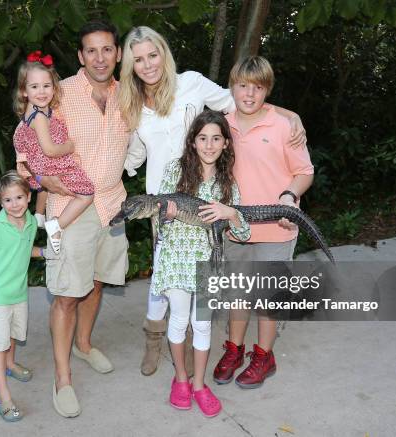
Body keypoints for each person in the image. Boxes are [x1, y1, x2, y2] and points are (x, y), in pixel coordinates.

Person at [119, 25, 307, 377]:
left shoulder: (191, 82)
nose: (147, 65)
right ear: (130, 65)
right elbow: (130, 156)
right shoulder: (131, 105)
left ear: (164, 54)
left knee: (205, 271)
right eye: (138, 59)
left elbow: (241, 101)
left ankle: (196, 340)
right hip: (165, 202)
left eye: (152, 55)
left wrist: (287, 114)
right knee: (165, 271)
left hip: (207, 195)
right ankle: (154, 340)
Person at [36, 21, 131, 418]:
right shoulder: (58, 95)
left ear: (118, 53)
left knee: (95, 282)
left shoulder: (128, 94)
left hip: (113, 203)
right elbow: (28, 149)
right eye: (91, 50)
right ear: (80, 56)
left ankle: (85, 344)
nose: (99, 57)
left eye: (107, 49)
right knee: (65, 294)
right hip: (71, 207)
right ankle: (62, 377)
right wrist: (41, 182)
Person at [212, 56, 314, 389]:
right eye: (243, 86)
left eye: (258, 88)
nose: (249, 94)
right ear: (232, 87)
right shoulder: (222, 125)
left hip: (276, 227)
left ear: (267, 90)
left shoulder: (285, 125)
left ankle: (263, 356)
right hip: (235, 226)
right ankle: (234, 350)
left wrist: (289, 195)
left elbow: (305, 172)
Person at [152, 110, 250, 418]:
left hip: (209, 264)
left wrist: (230, 212)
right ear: (193, 142)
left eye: (216, 139)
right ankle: (180, 378)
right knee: (179, 320)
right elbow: (160, 213)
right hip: (177, 259)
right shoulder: (175, 170)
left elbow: (243, 233)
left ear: (225, 144)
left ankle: (198, 384)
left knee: (203, 323)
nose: (209, 145)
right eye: (203, 138)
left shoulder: (227, 184)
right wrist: (165, 213)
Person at [0, 171, 43, 422]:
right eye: (8, 200)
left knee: (14, 334)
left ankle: (11, 364)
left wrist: (46, 251)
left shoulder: (31, 223)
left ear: (28, 197)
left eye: (19, 197)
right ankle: (2, 396)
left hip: (19, 292)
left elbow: (26, 250)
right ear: (0, 202)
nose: (14, 204)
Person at [13, 51, 94, 255]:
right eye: (34, 87)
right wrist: (69, 147)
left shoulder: (33, 109)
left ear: (54, 87)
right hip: (50, 164)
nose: (41, 92)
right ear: (24, 91)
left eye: (46, 86)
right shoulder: (39, 117)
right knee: (86, 193)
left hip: (38, 164)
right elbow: (49, 150)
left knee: (46, 190)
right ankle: (57, 225)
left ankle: (39, 215)